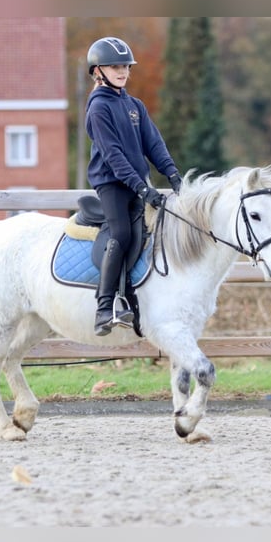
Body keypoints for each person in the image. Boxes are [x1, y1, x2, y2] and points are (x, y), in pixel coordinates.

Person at [85, 36, 182, 336]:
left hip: (136, 183)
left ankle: (134, 298)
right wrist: (142, 189)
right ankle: (104, 307)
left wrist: (174, 177)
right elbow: (113, 155)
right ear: (98, 70)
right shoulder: (98, 109)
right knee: (122, 233)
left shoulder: (134, 105)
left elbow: (154, 144)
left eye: (126, 66)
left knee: (149, 234)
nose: (123, 71)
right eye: (115, 66)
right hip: (112, 184)